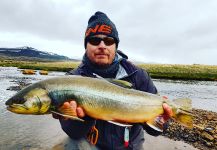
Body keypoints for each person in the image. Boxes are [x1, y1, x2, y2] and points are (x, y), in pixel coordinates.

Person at [53, 11, 172, 150]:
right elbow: (73, 133)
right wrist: (87, 116)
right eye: (95, 40)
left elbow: (155, 130)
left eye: (109, 41)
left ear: (115, 46)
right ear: (86, 45)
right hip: (90, 145)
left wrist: (163, 121)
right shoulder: (71, 81)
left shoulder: (138, 75)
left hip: (130, 146)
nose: (102, 45)